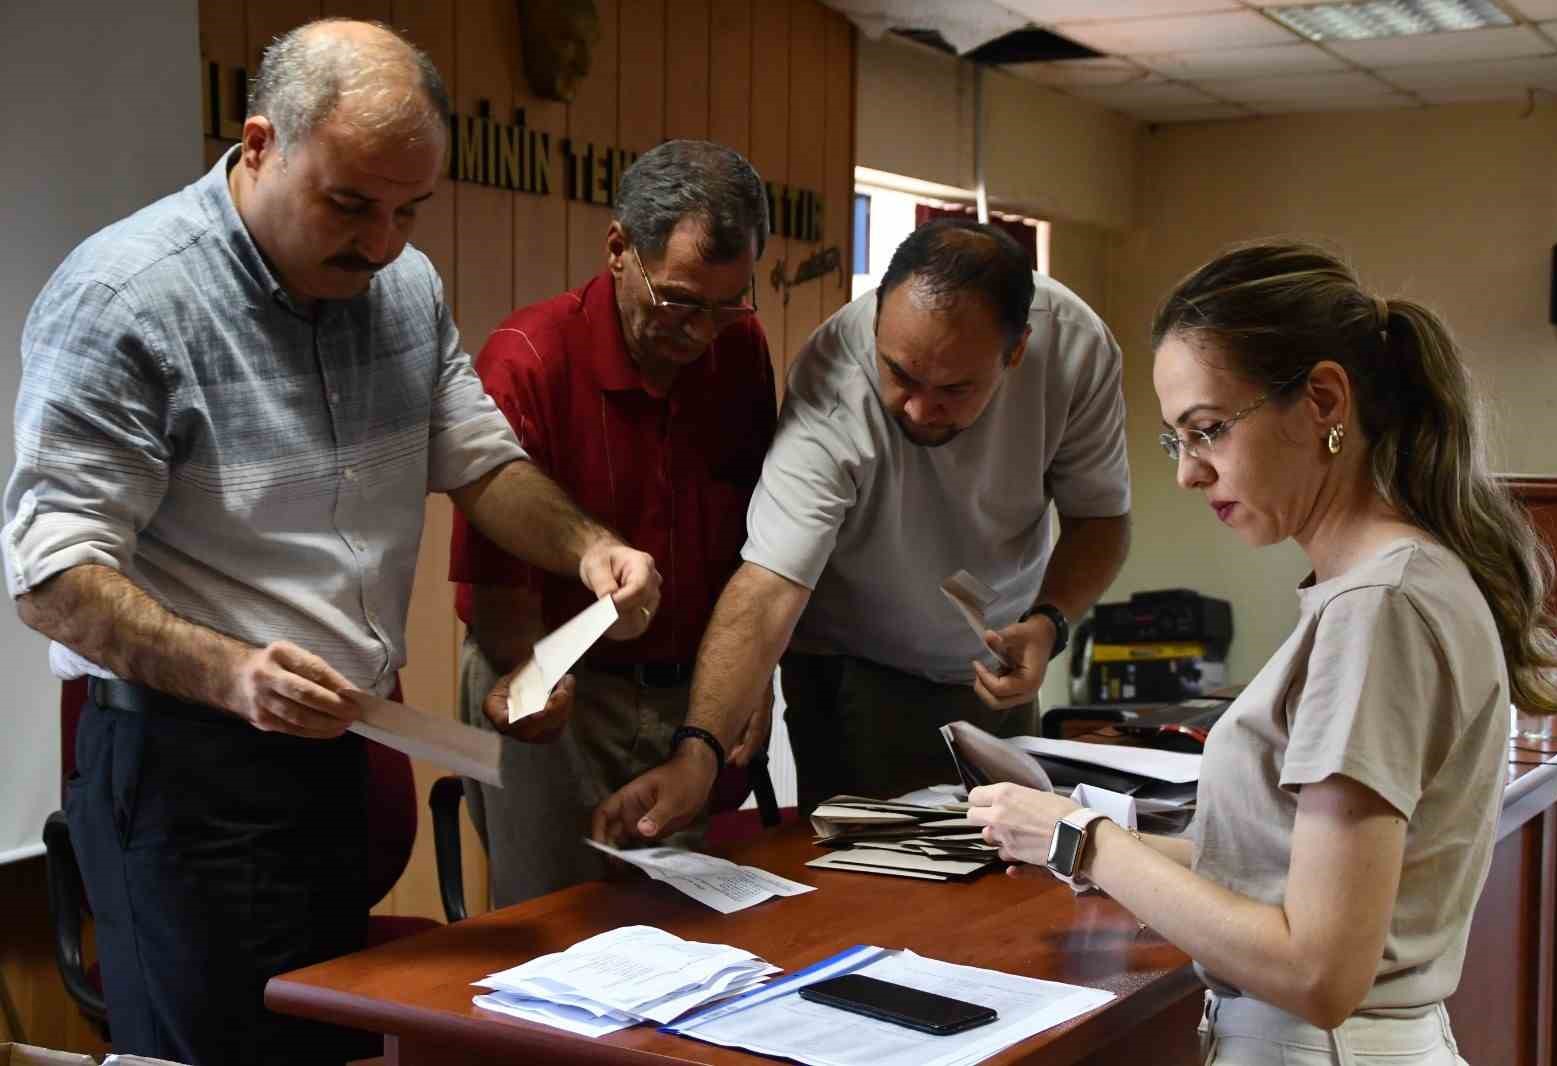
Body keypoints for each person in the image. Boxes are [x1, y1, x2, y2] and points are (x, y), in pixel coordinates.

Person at [2, 19, 659, 1066]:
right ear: (260, 143)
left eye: (409, 210)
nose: (381, 242)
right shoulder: (126, 297)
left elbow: (482, 461)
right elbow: (50, 573)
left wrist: (586, 547)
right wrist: (229, 671)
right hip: (186, 766)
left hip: (342, 757)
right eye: (350, 205)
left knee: (325, 1049)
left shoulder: (401, 285)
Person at [967, 240, 1557, 1064]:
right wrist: (1074, 839)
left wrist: (1085, 839)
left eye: (1208, 430)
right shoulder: (1392, 582)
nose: (1189, 473)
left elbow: (1319, 969)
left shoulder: (1378, 610)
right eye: (1175, 440)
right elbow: (1275, 867)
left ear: (1323, 401)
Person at [595, 218, 1133, 841]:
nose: (919, 408)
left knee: (1008, 865)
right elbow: (770, 582)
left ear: (1016, 352)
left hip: (996, 658)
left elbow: (1101, 519)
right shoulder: (833, 379)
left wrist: (1049, 623)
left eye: (955, 389)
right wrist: (697, 755)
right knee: (879, 875)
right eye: (901, 373)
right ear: (878, 320)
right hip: (855, 662)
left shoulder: (1075, 348)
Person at [450, 139, 777, 905]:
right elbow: (495, 582)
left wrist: (753, 677)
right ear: (618, 249)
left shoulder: (739, 348)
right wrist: (532, 681)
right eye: (679, 303)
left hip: (691, 689)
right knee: (556, 930)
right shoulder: (528, 359)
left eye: (727, 305)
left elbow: (761, 532)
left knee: (685, 931)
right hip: (553, 678)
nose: (701, 332)